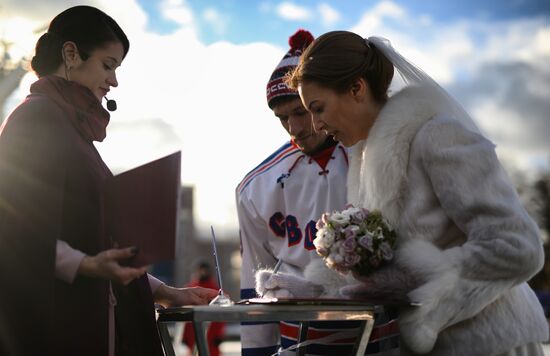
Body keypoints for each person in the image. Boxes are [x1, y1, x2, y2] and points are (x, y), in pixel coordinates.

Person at [286, 30, 549, 356]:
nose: (315, 125)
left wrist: (431, 304)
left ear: (356, 88)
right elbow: (388, 265)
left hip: (496, 342)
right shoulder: (365, 158)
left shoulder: (437, 135)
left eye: (318, 108)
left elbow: (519, 246)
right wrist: (310, 288)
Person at [0, 6, 217, 356]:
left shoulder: (67, 128)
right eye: (108, 64)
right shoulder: (36, 119)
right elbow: (11, 233)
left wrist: (165, 293)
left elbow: (93, 247)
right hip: (61, 333)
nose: (114, 81)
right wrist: (86, 265)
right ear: (71, 54)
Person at [237, 29, 399, 356]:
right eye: (282, 118)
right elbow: (252, 282)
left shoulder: (380, 158)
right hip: (295, 339)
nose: (295, 128)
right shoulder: (255, 187)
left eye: (301, 111)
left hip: (378, 335)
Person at [181, 260, 226, 356]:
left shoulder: (215, 290)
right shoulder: (189, 289)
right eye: (201, 270)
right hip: (193, 331)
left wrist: (219, 334)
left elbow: (221, 314)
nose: (203, 272)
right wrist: (184, 335)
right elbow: (185, 313)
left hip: (211, 332)